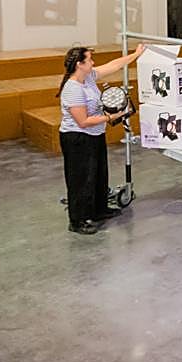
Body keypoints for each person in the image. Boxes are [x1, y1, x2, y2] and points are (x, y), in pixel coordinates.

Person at [57, 44, 144, 235]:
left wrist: (136, 55)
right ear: (79, 64)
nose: (93, 63)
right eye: (89, 60)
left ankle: (98, 210)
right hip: (78, 139)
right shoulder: (73, 89)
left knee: (98, 174)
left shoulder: (88, 77)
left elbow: (113, 65)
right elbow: (83, 121)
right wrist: (111, 117)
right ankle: (78, 220)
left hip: (95, 135)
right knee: (81, 179)